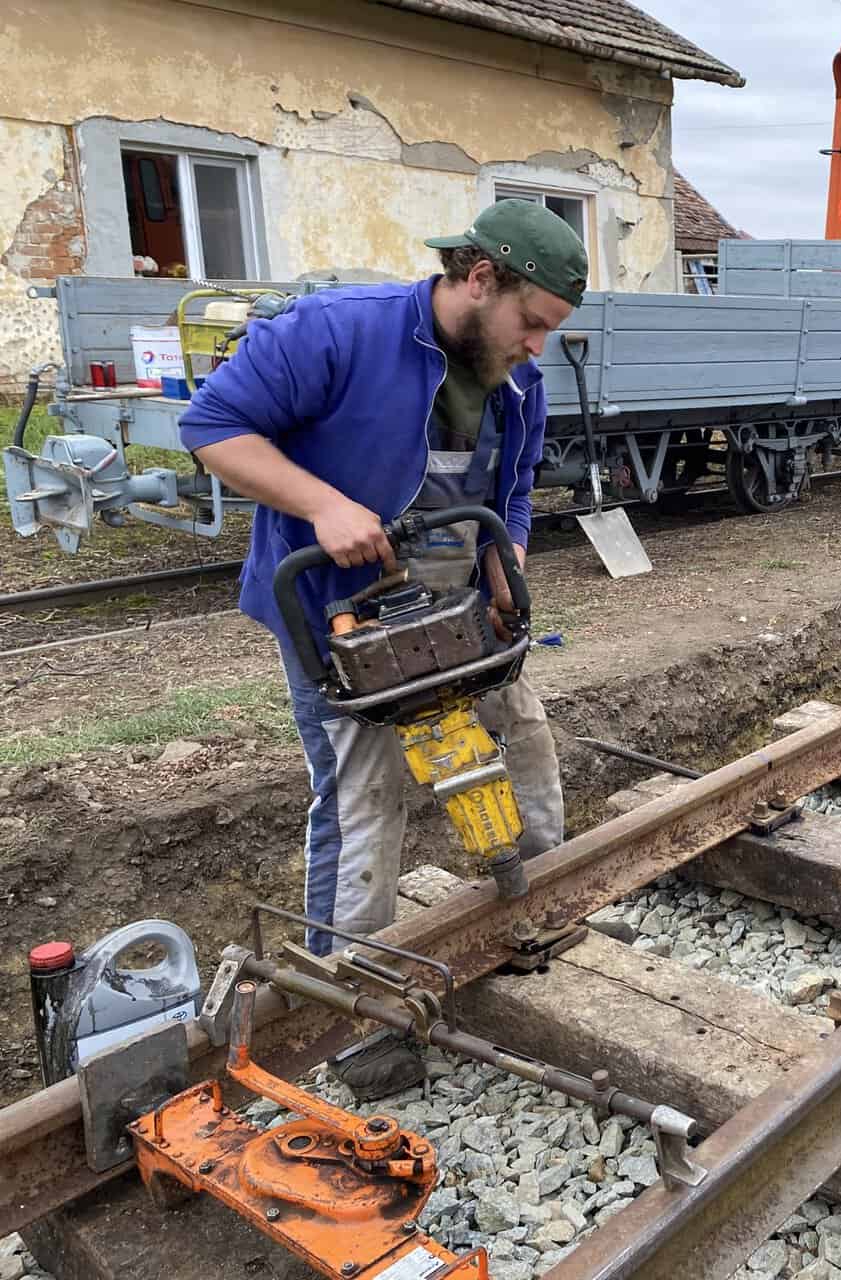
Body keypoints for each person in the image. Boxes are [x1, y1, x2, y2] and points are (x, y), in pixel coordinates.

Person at [179, 199, 585, 1096]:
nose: (537, 345)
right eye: (532, 323)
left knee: (523, 745)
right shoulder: (334, 333)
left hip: (460, 609)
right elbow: (212, 429)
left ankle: (540, 910)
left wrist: (505, 558)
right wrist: (321, 504)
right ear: (480, 280)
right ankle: (348, 1008)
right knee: (365, 798)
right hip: (342, 616)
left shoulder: (517, 375)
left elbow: (511, 487)